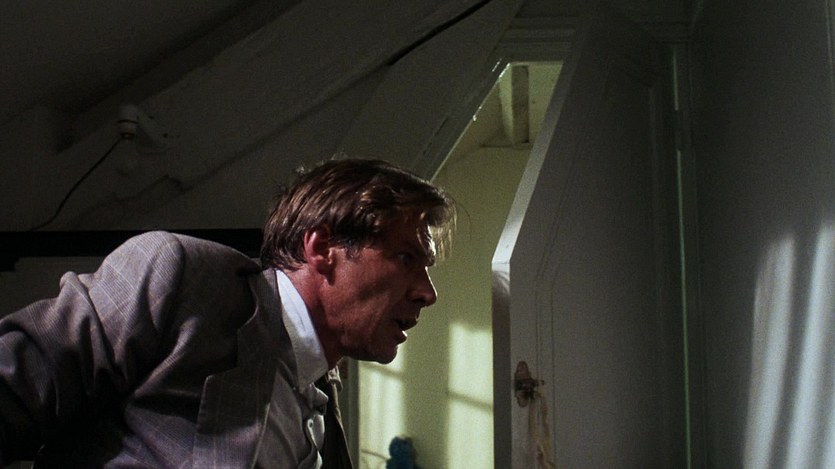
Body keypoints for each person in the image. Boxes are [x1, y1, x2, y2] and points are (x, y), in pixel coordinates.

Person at [0, 158, 455, 468]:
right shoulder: (183, 279)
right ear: (322, 249)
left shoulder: (321, 401)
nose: (428, 293)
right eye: (406, 258)